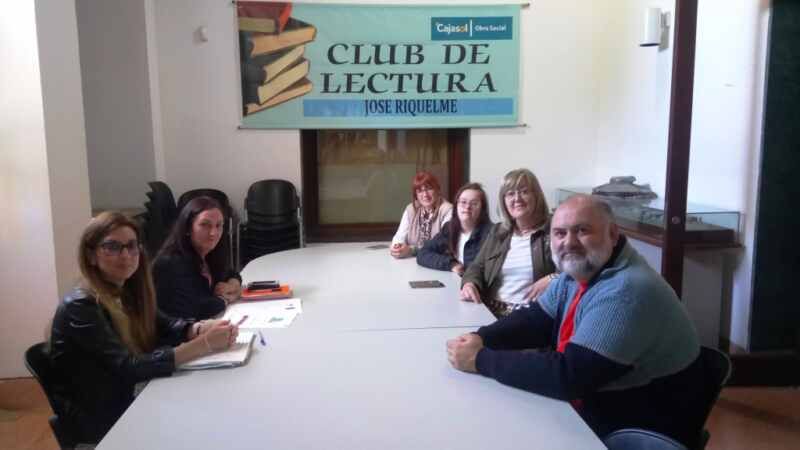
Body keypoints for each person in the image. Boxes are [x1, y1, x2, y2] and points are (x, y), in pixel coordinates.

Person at [446, 194, 702, 446]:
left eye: (582, 231)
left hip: (638, 421)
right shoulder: (581, 269)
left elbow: (569, 376)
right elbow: (536, 320)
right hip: (603, 396)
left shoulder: (627, 290)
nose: (569, 242)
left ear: (612, 234)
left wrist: (480, 359)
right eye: (559, 233)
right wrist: (480, 338)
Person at [49, 212, 238, 444]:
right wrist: (203, 344)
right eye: (112, 247)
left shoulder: (126, 291)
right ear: (91, 255)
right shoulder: (81, 305)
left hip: (131, 394)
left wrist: (198, 328)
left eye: (131, 246)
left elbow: (165, 324)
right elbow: (129, 367)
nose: (126, 255)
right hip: (107, 417)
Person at [460, 169, 556, 316]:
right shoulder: (498, 232)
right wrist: (469, 283)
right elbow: (477, 266)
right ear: (504, 201)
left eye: (524, 191)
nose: (517, 198)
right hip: (490, 310)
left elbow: (581, 268)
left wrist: (554, 278)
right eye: (510, 193)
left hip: (529, 315)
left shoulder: (554, 229)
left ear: (536, 196)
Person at [153, 196, 241, 320]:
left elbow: (232, 273)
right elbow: (196, 308)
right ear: (188, 228)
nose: (213, 233)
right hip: (180, 335)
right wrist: (226, 299)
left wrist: (233, 285)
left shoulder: (209, 253)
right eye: (205, 225)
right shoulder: (170, 264)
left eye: (219, 225)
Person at [416, 182, 492, 275]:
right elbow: (423, 253)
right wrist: (451, 264)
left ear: (482, 209)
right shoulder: (450, 228)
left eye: (474, 203)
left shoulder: (491, 234)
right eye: (463, 202)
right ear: (456, 206)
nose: (467, 207)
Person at [391, 171, 453, 259]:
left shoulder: (447, 210)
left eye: (429, 189)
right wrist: (397, 248)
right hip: (411, 263)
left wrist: (412, 250)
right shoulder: (411, 209)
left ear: (437, 189)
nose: (425, 195)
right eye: (420, 191)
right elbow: (399, 236)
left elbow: (442, 244)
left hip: (438, 262)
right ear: (416, 195)